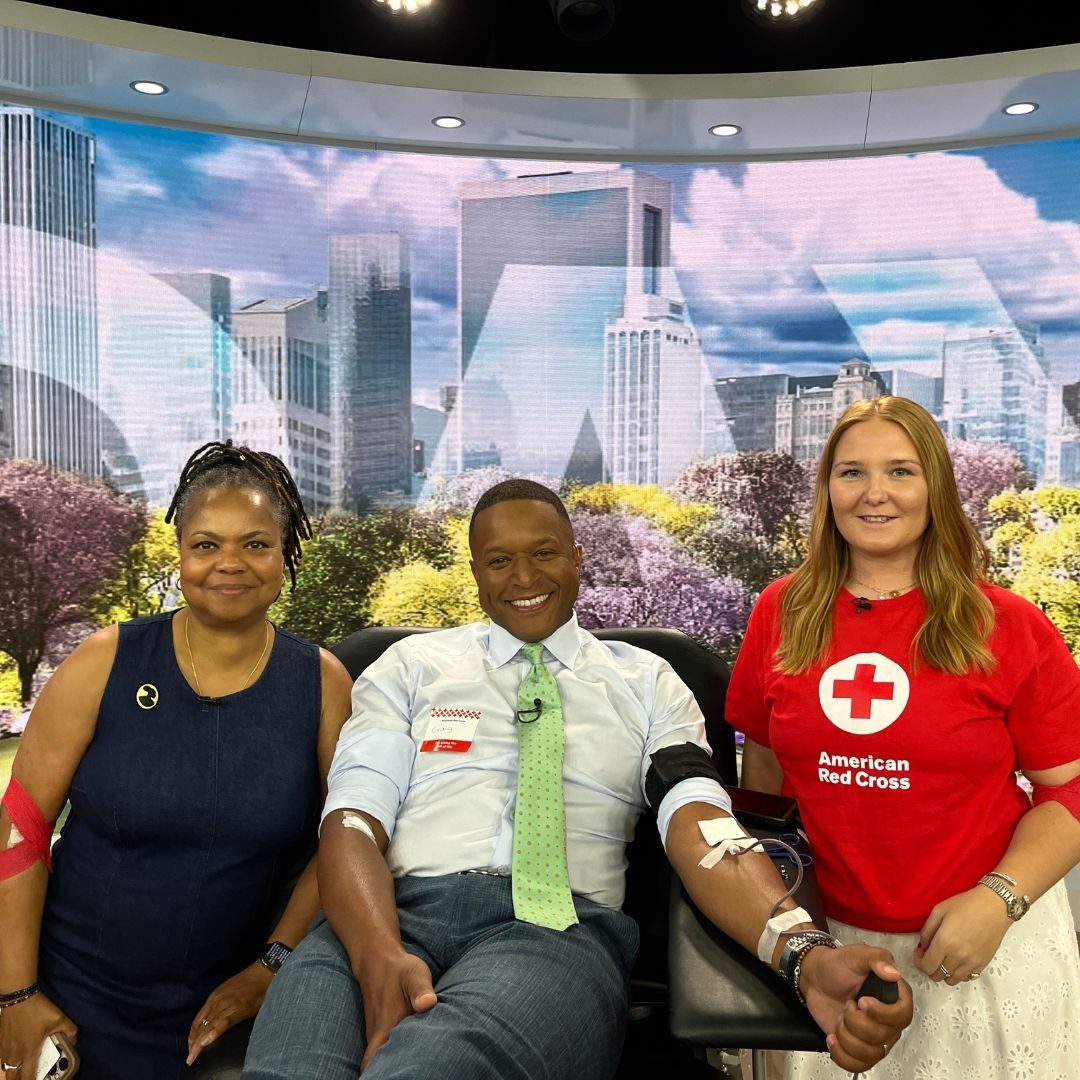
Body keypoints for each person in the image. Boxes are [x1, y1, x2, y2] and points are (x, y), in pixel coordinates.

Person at [243, 478, 912, 1080]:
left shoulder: (647, 682)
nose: (523, 576)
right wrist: (377, 953)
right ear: (475, 572)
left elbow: (703, 825)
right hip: (385, 912)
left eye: (544, 553)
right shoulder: (410, 666)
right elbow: (352, 819)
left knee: (427, 1068)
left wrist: (803, 952)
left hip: (553, 931)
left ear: (577, 558)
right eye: (499, 561)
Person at [731, 396, 1080, 1079]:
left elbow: (1068, 792)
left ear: (935, 488)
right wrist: (785, 933)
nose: (875, 493)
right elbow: (764, 778)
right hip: (831, 959)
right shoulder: (781, 611)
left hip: (981, 945)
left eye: (901, 471)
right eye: (851, 472)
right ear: (827, 489)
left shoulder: (1007, 624)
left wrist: (999, 899)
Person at [0, 441, 354, 1079]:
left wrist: (271, 966)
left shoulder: (322, 684)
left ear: (284, 553)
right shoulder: (104, 661)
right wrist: (16, 997)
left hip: (220, 1012)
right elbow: (19, 830)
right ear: (181, 553)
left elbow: (349, 842)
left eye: (255, 543)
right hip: (61, 995)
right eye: (206, 544)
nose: (229, 564)